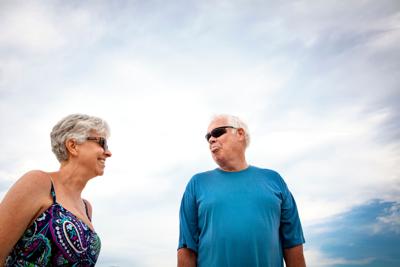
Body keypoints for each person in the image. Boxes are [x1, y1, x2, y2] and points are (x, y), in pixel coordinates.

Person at [177, 114, 306, 267]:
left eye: (218, 132)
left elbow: (293, 244)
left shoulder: (274, 181)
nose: (211, 139)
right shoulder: (196, 184)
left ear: (240, 134)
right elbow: (187, 248)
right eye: (208, 136)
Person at [0, 113, 112, 266]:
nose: (108, 152)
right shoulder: (38, 183)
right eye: (102, 143)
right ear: (73, 145)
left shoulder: (86, 208)